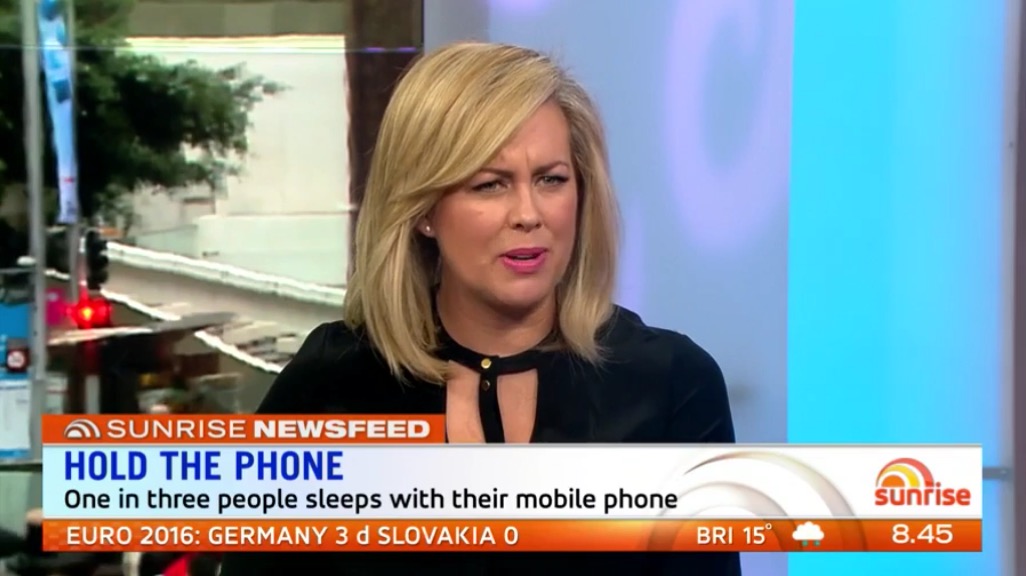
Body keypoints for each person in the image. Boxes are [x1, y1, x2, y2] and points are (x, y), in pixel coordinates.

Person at [219, 41, 740, 575]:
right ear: (423, 210)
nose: (528, 214)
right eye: (490, 184)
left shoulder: (670, 383)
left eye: (551, 180)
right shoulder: (332, 382)